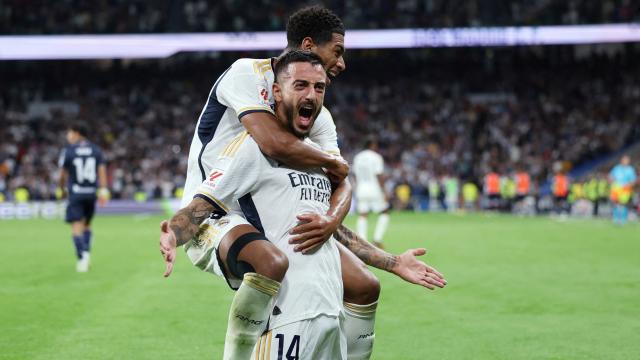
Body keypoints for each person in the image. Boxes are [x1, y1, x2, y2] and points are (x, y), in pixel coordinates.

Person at [162, 6, 445, 360]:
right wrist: (334, 164)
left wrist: (342, 226)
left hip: (272, 202)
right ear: (309, 46)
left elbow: (340, 187)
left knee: (363, 285)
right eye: (337, 52)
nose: (341, 64)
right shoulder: (247, 73)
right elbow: (273, 144)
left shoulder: (320, 117)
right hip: (215, 211)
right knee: (270, 263)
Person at [58, 122, 109, 272]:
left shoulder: (69, 151)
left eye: (69, 132)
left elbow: (62, 174)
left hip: (76, 193)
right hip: (91, 193)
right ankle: (86, 253)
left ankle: (82, 258)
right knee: (87, 225)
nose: (68, 136)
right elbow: (101, 172)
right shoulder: (96, 150)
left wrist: (62, 189)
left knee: (76, 227)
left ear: (76, 133)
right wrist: (104, 190)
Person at [352, 137, 390, 249]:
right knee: (385, 212)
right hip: (374, 189)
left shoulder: (357, 157)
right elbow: (379, 175)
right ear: (372, 145)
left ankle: (362, 241)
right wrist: (385, 191)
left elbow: (355, 175)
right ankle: (377, 239)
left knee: (363, 215)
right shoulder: (376, 157)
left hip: (361, 189)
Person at [609, 155, 637, 225]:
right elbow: (611, 176)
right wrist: (612, 182)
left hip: (625, 188)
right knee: (616, 203)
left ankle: (623, 219)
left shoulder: (630, 170)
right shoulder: (617, 168)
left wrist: (629, 185)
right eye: (624, 160)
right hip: (617, 188)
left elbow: (633, 180)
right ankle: (615, 219)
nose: (625, 161)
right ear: (621, 160)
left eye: (627, 160)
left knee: (623, 204)